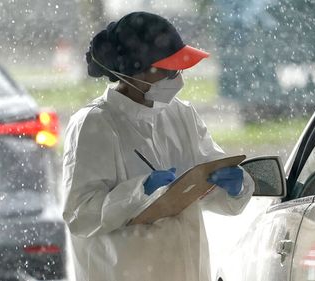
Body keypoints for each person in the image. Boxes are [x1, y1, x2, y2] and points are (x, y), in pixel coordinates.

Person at [61, 11, 254, 281]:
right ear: (133, 70)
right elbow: (80, 215)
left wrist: (234, 187)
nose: (177, 77)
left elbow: (212, 193)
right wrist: (140, 191)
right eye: (168, 70)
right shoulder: (94, 124)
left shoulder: (181, 115)